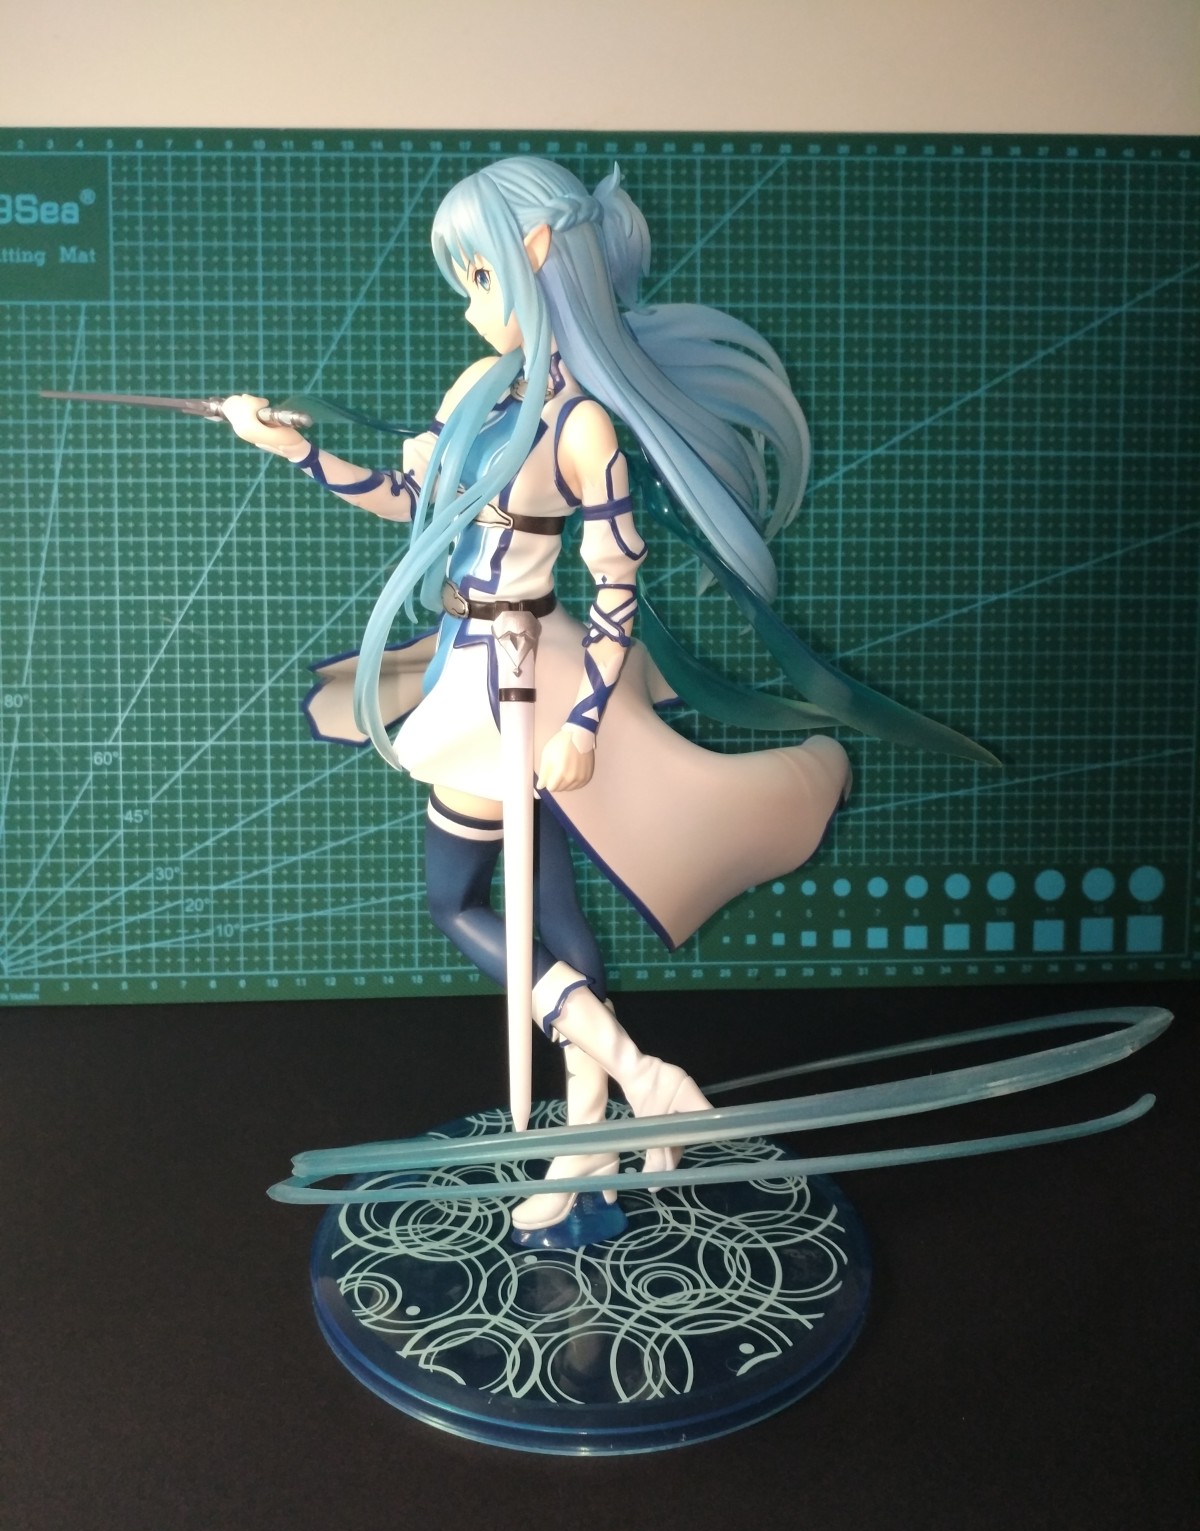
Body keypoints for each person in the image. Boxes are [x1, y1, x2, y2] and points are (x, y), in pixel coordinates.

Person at [222, 157, 988, 1246]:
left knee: (463, 902)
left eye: (480, 273)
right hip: (469, 666)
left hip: (518, 690)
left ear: (536, 256)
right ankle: (620, 1103)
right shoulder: (475, 392)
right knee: (548, 921)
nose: (470, 302)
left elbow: (617, 584)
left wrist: (583, 725)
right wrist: (295, 448)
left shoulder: (583, 428)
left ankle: (611, 1106)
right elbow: (412, 501)